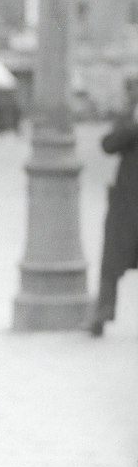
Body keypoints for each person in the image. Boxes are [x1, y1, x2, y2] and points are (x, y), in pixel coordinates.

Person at [89, 76, 138, 337]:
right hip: (128, 201)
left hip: (129, 201)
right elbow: (108, 144)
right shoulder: (129, 117)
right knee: (112, 260)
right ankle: (102, 314)